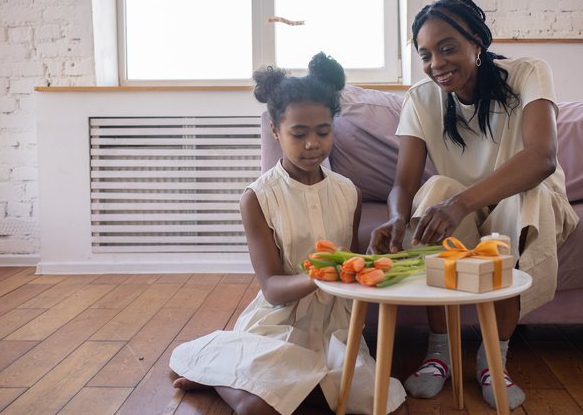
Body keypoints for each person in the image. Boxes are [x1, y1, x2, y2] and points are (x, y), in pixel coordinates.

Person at [369, 0, 579, 410]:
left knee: (524, 199)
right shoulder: (421, 98)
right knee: (432, 192)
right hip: (461, 205)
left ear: (478, 42)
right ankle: (439, 352)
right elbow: (404, 183)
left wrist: (461, 204)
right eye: (425, 54)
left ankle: (493, 360)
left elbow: (541, 158)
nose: (436, 64)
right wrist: (397, 217)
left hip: (521, 196)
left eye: (448, 48)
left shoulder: (528, 74)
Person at [170, 52, 406, 415]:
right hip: (278, 324)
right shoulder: (257, 198)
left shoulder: (348, 192)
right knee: (256, 409)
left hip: (336, 330)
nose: (312, 143)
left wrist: (370, 263)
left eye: (323, 132)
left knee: (379, 403)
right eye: (299, 133)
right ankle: (220, 375)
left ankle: (228, 369)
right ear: (276, 131)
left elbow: (353, 273)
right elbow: (272, 288)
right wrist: (321, 277)